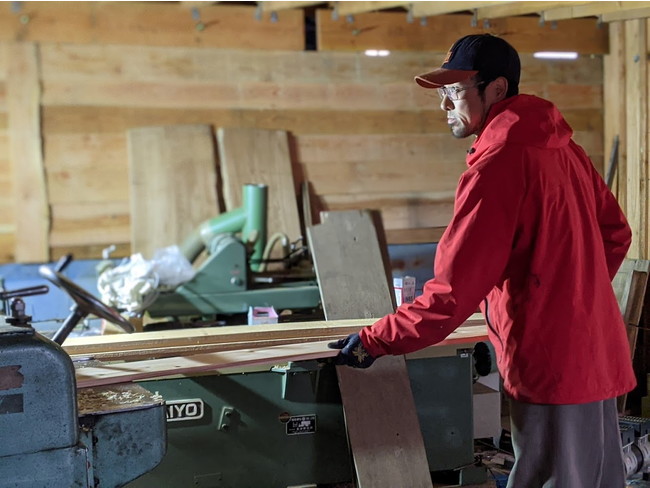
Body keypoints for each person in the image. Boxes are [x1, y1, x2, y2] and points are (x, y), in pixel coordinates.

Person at [329, 34, 635, 488]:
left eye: (455, 92)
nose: (445, 106)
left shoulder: (498, 165)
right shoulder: (565, 149)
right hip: (596, 351)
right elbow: (616, 233)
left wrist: (377, 340)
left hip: (550, 365)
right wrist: (570, 295)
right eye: (443, 94)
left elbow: (454, 292)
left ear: (496, 89)